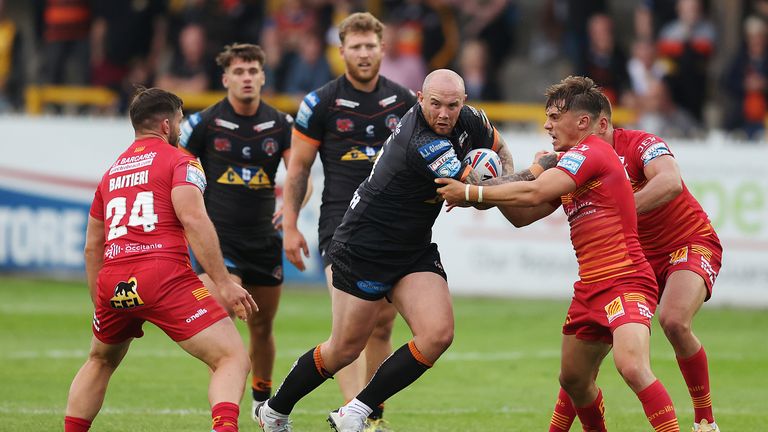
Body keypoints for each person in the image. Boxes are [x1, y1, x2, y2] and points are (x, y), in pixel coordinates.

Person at [257, 69, 517, 432]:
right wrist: (533, 174)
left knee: (438, 334)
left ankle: (356, 411)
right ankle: (274, 410)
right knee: (344, 350)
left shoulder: (471, 120)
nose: (443, 113)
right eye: (435, 104)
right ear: (419, 97)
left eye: (452, 105)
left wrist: (504, 173)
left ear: (465, 103)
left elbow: (501, 151)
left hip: (411, 248)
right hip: (365, 245)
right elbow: (476, 194)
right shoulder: (423, 142)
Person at [436, 76, 681, 432]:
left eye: (554, 116)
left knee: (632, 367)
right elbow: (522, 215)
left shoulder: (593, 150)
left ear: (582, 122)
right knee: (574, 380)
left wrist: (473, 193)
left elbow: (534, 194)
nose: (547, 125)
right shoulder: (569, 162)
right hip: (589, 289)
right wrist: (500, 178)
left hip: (625, 278)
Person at [64, 87, 257, 432]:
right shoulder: (181, 161)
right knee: (231, 358)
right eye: (180, 120)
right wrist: (224, 283)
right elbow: (194, 219)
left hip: (114, 280)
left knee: (99, 360)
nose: (181, 128)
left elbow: (93, 246)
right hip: (163, 275)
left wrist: (101, 302)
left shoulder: (111, 175)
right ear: (167, 125)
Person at [545, 96, 724, 432]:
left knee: (673, 320)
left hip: (688, 241)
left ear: (601, 124)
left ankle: (705, 421)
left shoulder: (643, 144)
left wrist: (618, 210)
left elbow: (669, 182)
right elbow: (535, 202)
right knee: (580, 367)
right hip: (636, 258)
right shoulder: (576, 161)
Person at [280, 12, 417, 431]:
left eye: (369, 45)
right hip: (341, 225)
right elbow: (299, 168)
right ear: (341, 52)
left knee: (382, 325)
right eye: (355, 47)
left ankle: (371, 415)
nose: (362, 53)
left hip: (393, 225)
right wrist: (289, 225)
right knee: (348, 330)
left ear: (382, 48)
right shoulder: (320, 102)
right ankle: (351, 416)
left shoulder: (405, 101)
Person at [179, 43, 295, 421]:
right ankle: (224, 402)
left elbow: (299, 175)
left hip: (264, 239)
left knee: (262, 325)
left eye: (253, 71)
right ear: (226, 78)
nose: (247, 77)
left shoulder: (280, 124)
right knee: (222, 316)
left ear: (263, 76)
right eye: (239, 71)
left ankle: (262, 401)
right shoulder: (205, 123)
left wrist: (292, 207)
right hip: (220, 240)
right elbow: (177, 169)